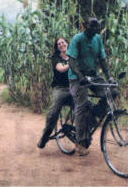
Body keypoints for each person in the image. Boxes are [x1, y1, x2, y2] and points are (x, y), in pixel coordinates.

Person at [67, 17, 116, 156]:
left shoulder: (98, 39)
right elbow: (71, 62)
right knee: (81, 105)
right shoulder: (78, 39)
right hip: (77, 77)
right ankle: (80, 142)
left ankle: (94, 113)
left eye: (97, 27)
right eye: (91, 26)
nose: (94, 29)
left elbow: (103, 60)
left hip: (92, 75)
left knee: (112, 92)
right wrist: (81, 77)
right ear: (85, 26)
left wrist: (110, 77)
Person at [37, 37, 72, 149]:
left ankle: (84, 140)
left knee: (86, 108)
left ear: (67, 43)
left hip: (73, 87)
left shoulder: (73, 55)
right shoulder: (55, 58)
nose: (61, 44)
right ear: (57, 47)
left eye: (63, 42)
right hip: (60, 88)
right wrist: (73, 63)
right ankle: (45, 137)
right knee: (53, 113)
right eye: (58, 44)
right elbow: (61, 69)